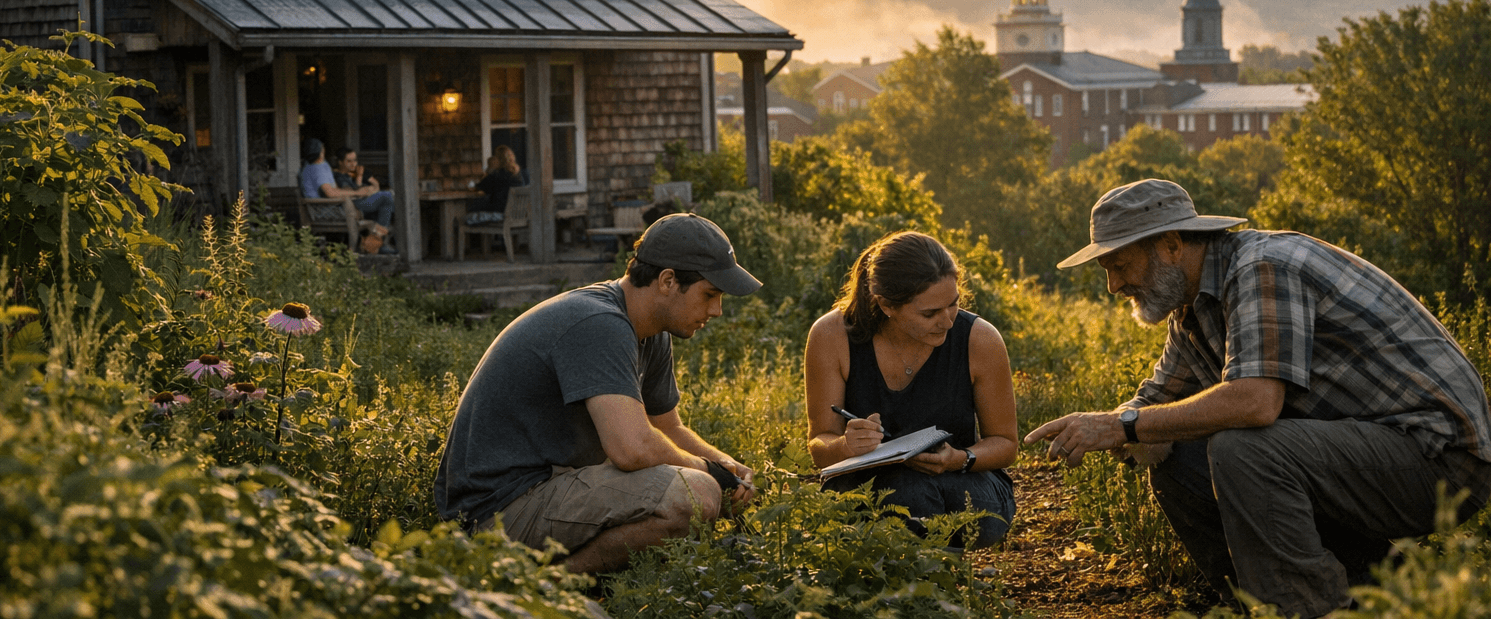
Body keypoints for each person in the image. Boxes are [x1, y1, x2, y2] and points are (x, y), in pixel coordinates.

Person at [1024, 179, 1491, 619]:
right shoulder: (1191, 307)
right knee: (1172, 454)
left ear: (1170, 245)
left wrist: (1121, 426)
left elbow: (1255, 403)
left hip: (1439, 457)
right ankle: (1284, 598)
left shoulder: (1263, 266)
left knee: (1242, 448)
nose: (1114, 286)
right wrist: (1110, 426)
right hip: (1362, 458)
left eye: (1120, 266)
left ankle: (1307, 609)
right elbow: (1152, 402)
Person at [434, 212, 761, 573]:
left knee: (705, 486)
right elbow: (631, 448)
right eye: (710, 294)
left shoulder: (651, 333)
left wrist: (728, 468)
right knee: (695, 495)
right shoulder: (600, 323)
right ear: (668, 281)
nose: (715, 311)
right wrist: (709, 472)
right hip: (495, 512)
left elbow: (668, 428)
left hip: (549, 488)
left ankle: (569, 582)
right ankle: (549, 587)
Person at [804, 231, 1017, 547]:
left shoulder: (980, 339)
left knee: (914, 494)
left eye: (954, 304)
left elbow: (1005, 443)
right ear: (887, 305)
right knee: (903, 491)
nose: (946, 321)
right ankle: (923, 578)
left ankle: (925, 579)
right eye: (929, 313)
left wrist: (959, 458)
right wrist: (845, 446)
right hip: (871, 485)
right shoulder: (831, 335)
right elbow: (820, 443)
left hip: (962, 480)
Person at [298, 138, 395, 254]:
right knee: (387, 198)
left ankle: (375, 243)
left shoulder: (309, 167)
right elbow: (330, 193)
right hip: (333, 209)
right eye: (322, 150)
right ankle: (375, 244)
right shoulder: (317, 168)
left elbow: (332, 191)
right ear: (320, 152)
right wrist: (357, 193)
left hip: (335, 205)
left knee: (388, 201)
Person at [462, 144, 528, 225]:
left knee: (466, 215)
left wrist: (488, 170)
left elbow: (475, 187)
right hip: (517, 217)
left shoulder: (497, 175)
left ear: (498, 160)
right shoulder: (518, 175)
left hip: (501, 216)